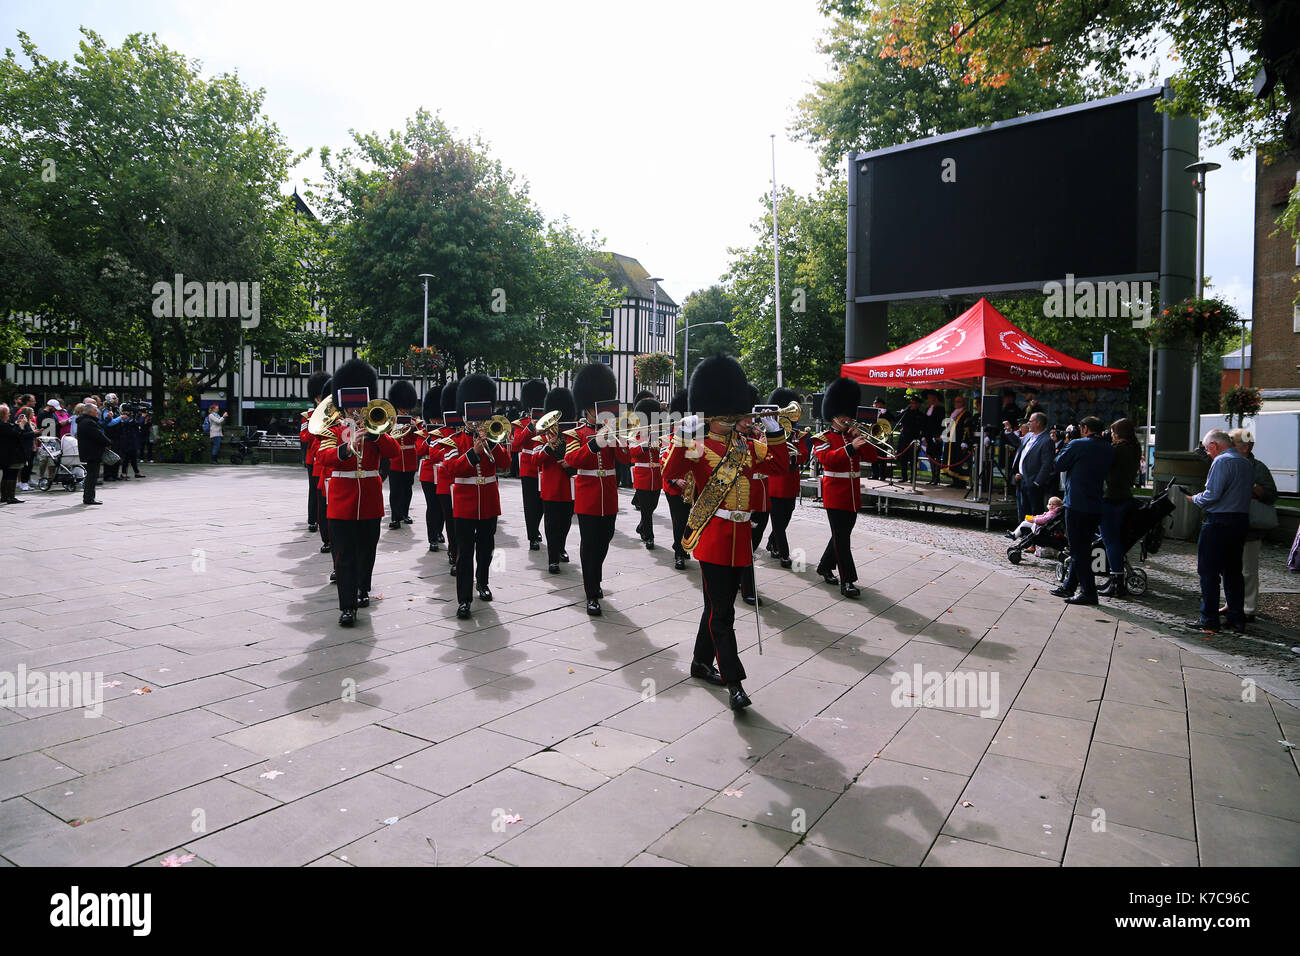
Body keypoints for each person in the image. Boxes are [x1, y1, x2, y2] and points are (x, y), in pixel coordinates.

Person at [662, 355, 789, 711]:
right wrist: (683, 435)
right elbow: (669, 473)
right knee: (724, 614)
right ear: (711, 412)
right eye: (727, 414)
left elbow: (780, 466)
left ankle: (700, 662)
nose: (733, 419)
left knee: (717, 607)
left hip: (740, 539)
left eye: (736, 414)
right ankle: (734, 682)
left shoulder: (745, 446)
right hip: (715, 536)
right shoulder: (698, 446)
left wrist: (775, 429)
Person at [313, 360, 400, 626]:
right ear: (342, 403)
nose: (355, 408)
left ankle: (364, 588)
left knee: (367, 549)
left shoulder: (378, 425)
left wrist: (375, 435)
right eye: (350, 403)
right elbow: (322, 456)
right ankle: (347, 606)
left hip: (370, 499)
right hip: (341, 499)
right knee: (344, 554)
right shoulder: (333, 428)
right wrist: (346, 449)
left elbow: (394, 452)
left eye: (359, 403)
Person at [441, 374, 512, 620]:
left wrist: (492, 444)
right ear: (465, 415)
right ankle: (464, 599)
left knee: (486, 548)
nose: (478, 421)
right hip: (463, 502)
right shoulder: (454, 440)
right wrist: (473, 452)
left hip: (488, 502)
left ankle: (482, 583)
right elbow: (450, 469)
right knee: (464, 552)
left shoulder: (493, 437)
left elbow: (505, 464)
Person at [565, 363, 632, 616]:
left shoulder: (613, 430)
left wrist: (620, 439)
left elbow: (625, 460)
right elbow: (573, 461)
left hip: (609, 495)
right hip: (588, 494)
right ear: (586, 408)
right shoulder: (577, 433)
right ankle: (591, 592)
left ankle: (595, 577)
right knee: (590, 544)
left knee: (605, 540)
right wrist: (596, 442)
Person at [814, 377, 879, 598]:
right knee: (843, 540)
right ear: (833, 415)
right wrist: (850, 448)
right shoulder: (822, 437)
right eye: (843, 415)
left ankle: (824, 565)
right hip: (834, 493)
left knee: (840, 535)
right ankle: (848, 581)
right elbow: (827, 459)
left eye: (848, 414)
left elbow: (873, 457)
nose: (847, 418)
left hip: (852, 494)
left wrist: (863, 439)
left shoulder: (853, 434)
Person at [1184, 430, 1254, 633]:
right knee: (1233, 571)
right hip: (1240, 520)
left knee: (1208, 571)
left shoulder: (1222, 462)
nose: (1208, 453)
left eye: (1207, 449)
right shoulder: (1245, 462)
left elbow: (1212, 495)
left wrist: (1194, 498)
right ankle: (1236, 618)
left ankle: (1209, 618)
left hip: (1219, 521)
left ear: (1214, 446)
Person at [1049, 416, 1114, 605]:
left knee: (1079, 550)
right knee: (1083, 546)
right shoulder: (1108, 448)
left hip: (1077, 503)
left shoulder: (1078, 445)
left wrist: (1067, 444)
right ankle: (1070, 586)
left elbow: (1059, 464)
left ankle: (1088, 592)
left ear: (1084, 428)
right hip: (1095, 503)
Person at [1227, 428, 1276, 624]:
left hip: (1250, 526)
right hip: (1231, 523)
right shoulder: (1229, 462)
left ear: (1245, 447)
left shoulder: (1258, 468)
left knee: (1248, 569)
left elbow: (1270, 494)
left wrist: (1252, 487)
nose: (1229, 446)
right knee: (1230, 568)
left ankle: (1249, 608)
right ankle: (1232, 603)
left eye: (1233, 442)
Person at [763, 387, 806, 569]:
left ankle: (772, 542)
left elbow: (804, 453)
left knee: (785, 519)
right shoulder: (769, 432)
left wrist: (793, 456)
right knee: (778, 521)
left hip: (790, 482)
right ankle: (784, 554)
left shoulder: (796, 433)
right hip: (775, 482)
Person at [1097, 418, 1140, 597]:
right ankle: (1116, 576)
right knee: (1117, 541)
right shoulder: (1134, 449)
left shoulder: (1117, 450)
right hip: (1125, 497)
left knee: (1110, 540)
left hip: (1111, 498)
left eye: (1113, 433)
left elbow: (1103, 467)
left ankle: (1117, 581)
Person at [538, 386, 577, 573]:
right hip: (552, 486)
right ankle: (552, 558)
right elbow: (534, 459)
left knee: (566, 521)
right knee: (551, 524)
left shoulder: (573, 433)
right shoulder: (544, 434)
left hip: (569, 485)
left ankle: (560, 547)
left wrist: (571, 464)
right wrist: (548, 446)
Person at [511, 379, 548, 551]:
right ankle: (532, 535)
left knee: (543, 503)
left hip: (544, 466)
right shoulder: (520, 423)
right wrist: (531, 427)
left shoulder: (548, 420)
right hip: (528, 467)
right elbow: (516, 444)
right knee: (530, 503)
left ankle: (536, 528)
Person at [630, 396, 665, 551]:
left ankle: (642, 526)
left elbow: (662, 450)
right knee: (645, 508)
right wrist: (642, 446)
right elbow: (631, 452)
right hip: (642, 473)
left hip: (656, 474)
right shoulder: (635, 433)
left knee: (653, 506)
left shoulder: (658, 432)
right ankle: (649, 537)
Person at [662, 389, 692, 571]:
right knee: (679, 521)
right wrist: (675, 480)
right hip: (674, 487)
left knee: (689, 521)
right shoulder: (669, 437)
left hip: (691, 487)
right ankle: (678, 554)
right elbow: (663, 460)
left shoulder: (695, 438)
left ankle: (682, 546)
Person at [385, 380, 420, 531]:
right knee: (395, 489)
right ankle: (395, 517)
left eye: (406, 408)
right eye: (401, 407)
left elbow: (419, 440)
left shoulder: (415, 422)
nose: (404, 410)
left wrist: (414, 429)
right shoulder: (390, 421)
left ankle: (405, 513)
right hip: (396, 459)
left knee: (407, 488)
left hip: (410, 459)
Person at [414, 387, 446, 553]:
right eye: (433, 418)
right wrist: (429, 437)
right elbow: (420, 451)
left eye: (438, 418)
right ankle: (432, 538)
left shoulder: (448, 432)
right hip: (427, 472)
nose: (436, 421)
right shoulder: (422, 433)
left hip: (442, 471)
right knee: (432, 505)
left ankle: (439, 531)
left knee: (442, 505)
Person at [1011, 411, 1054, 521]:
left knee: (1034, 511)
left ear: (1038, 423)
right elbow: (1018, 443)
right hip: (1021, 480)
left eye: (1030, 421)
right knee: (1022, 510)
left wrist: (1037, 482)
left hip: (1033, 483)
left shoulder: (1046, 440)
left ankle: (1033, 536)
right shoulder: (1028, 436)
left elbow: (1047, 464)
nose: (1028, 423)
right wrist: (1008, 431)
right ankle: (1023, 534)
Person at [302, 372, 331, 533]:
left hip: (327, 457)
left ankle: (324, 521)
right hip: (313, 459)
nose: (320, 400)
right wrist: (315, 428)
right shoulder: (308, 416)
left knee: (325, 492)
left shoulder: (332, 415)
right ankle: (313, 519)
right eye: (318, 397)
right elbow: (304, 436)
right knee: (314, 490)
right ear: (315, 398)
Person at [75, 400, 109, 505]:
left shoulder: (84, 421)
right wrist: (108, 442)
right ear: (90, 411)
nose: (97, 412)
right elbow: (98, 436)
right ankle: (89, 498)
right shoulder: (89, 422)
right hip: (92, 452)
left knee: (91, 476)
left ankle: (88, 497)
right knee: (92, 476)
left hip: (88, 451)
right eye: (95, 410)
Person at [942, 394, 976, 488]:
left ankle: (961, 483)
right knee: (952, 462)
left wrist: (965, 441)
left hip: (960, 442)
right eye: (956, 401)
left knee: (959, 462)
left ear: (963, 403)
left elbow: (967, 428)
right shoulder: (954, 413)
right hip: (952, 441)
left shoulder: (966, 413)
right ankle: (955, 481)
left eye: (959, 401)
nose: (956, 403)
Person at [0, 405, 28, 504]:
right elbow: (16, 433)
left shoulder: (4, 424)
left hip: (5, 454)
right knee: (12, 474)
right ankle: (10, 497)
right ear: (3, 415)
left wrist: (17, 423)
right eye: (7, 413)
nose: (9, 414)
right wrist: (21, 425)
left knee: (6, 474)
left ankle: (4, 496)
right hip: (12, 454)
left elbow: (11, 430)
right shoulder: (4, 425)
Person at [896, 392, 926, 483]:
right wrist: (904, 411)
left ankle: (913, 478)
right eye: (911, 403)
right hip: (904, 438)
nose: (911, 405)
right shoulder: (906, 412)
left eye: (914, 403)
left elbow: (922, 427)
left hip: (913, 439)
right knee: (903, 459)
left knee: (913, 460)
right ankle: (904, 477)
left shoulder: (920, 415)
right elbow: (897, 418)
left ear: (918, 404)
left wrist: (920, 439)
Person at [922, 390, 945, 485]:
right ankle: (933, 477)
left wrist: (940, 435)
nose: (928, 399)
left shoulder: (940, 408)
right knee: (931, 456)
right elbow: (925, 423)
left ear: (934, 398)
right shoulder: (928, 409)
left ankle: (937, 477)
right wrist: (923, 437)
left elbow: (942, 423)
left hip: (936, 436)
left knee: (937, 456)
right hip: (928, 435)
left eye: (930, 397)